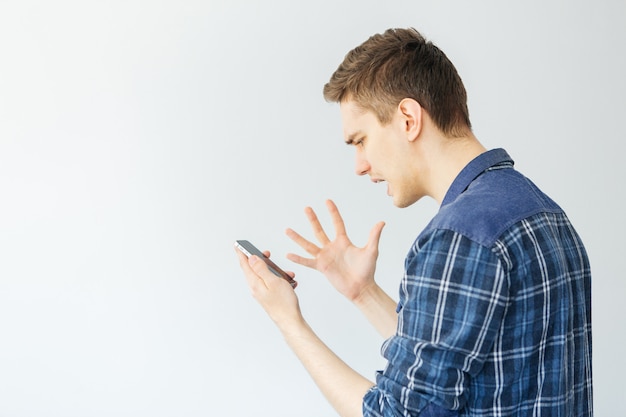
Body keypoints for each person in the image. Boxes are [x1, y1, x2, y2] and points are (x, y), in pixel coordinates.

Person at [235, 27, 592, 417]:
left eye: (360, 140)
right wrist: (363, 293)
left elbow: (397, 413)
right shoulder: (543, 212)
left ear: (407, 118)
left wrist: (288, 320)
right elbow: (460, 362)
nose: (359, 166)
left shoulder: (459, 237)